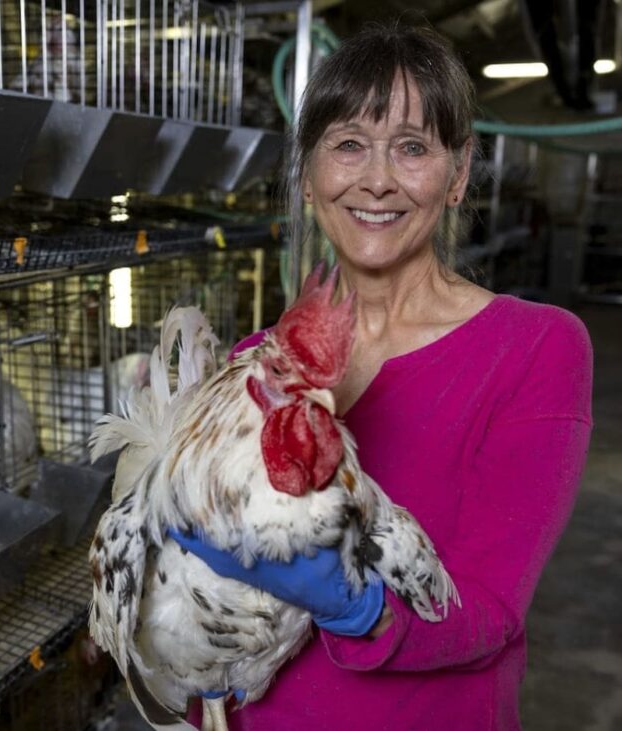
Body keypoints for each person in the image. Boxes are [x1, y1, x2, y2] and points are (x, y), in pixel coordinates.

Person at [174, 23, 593, 730]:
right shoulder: (260, 367)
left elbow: (490, 608)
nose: (375, 178)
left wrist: (359, 607)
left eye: (411, 147)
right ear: (309, 175)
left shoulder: (535, 349)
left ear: (458, 174)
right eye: (346, 145)